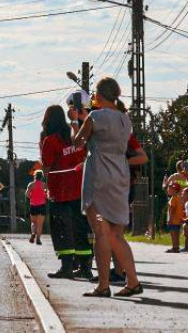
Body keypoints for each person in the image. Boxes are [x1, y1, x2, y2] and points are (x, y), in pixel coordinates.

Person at [75, 77, 142, 298]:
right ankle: (132, 281)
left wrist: (79, 120)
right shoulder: (125, 119)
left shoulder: (95, 116)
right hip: (120, 176)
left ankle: (103, 285)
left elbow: (78, 141)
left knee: (101, 233)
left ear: (100, 96)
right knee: (116, 235)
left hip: (99, 177)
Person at [39, 102, 92, 280]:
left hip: (60, 192)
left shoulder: (50, 141)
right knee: (80, 228)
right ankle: (85, 267)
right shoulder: (74, 136)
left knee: (61, 229)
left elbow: (46, 167)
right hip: (80, 189)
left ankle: (67, 267)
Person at [26, 170, 47, 245]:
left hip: (33, 205)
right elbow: (47, 195)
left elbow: (27, 194)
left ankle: (33, 233)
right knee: (40, 224)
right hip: (42, 206)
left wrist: (32, 197)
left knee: (33, 222)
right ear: (42, 177)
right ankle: (38, 239)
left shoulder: (31, 184)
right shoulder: (44, 185)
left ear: (34, 176)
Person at [165, 184, 185, 253]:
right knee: (177, 235)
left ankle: (174, 248)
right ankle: (176, 247)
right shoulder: (179, 197)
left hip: (173, 220)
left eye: (171, 189)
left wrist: (170, 219)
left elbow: (173, 209)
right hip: (178, 220)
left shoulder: (173, 198)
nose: (169, 190)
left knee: (173, 235)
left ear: (175, 191)